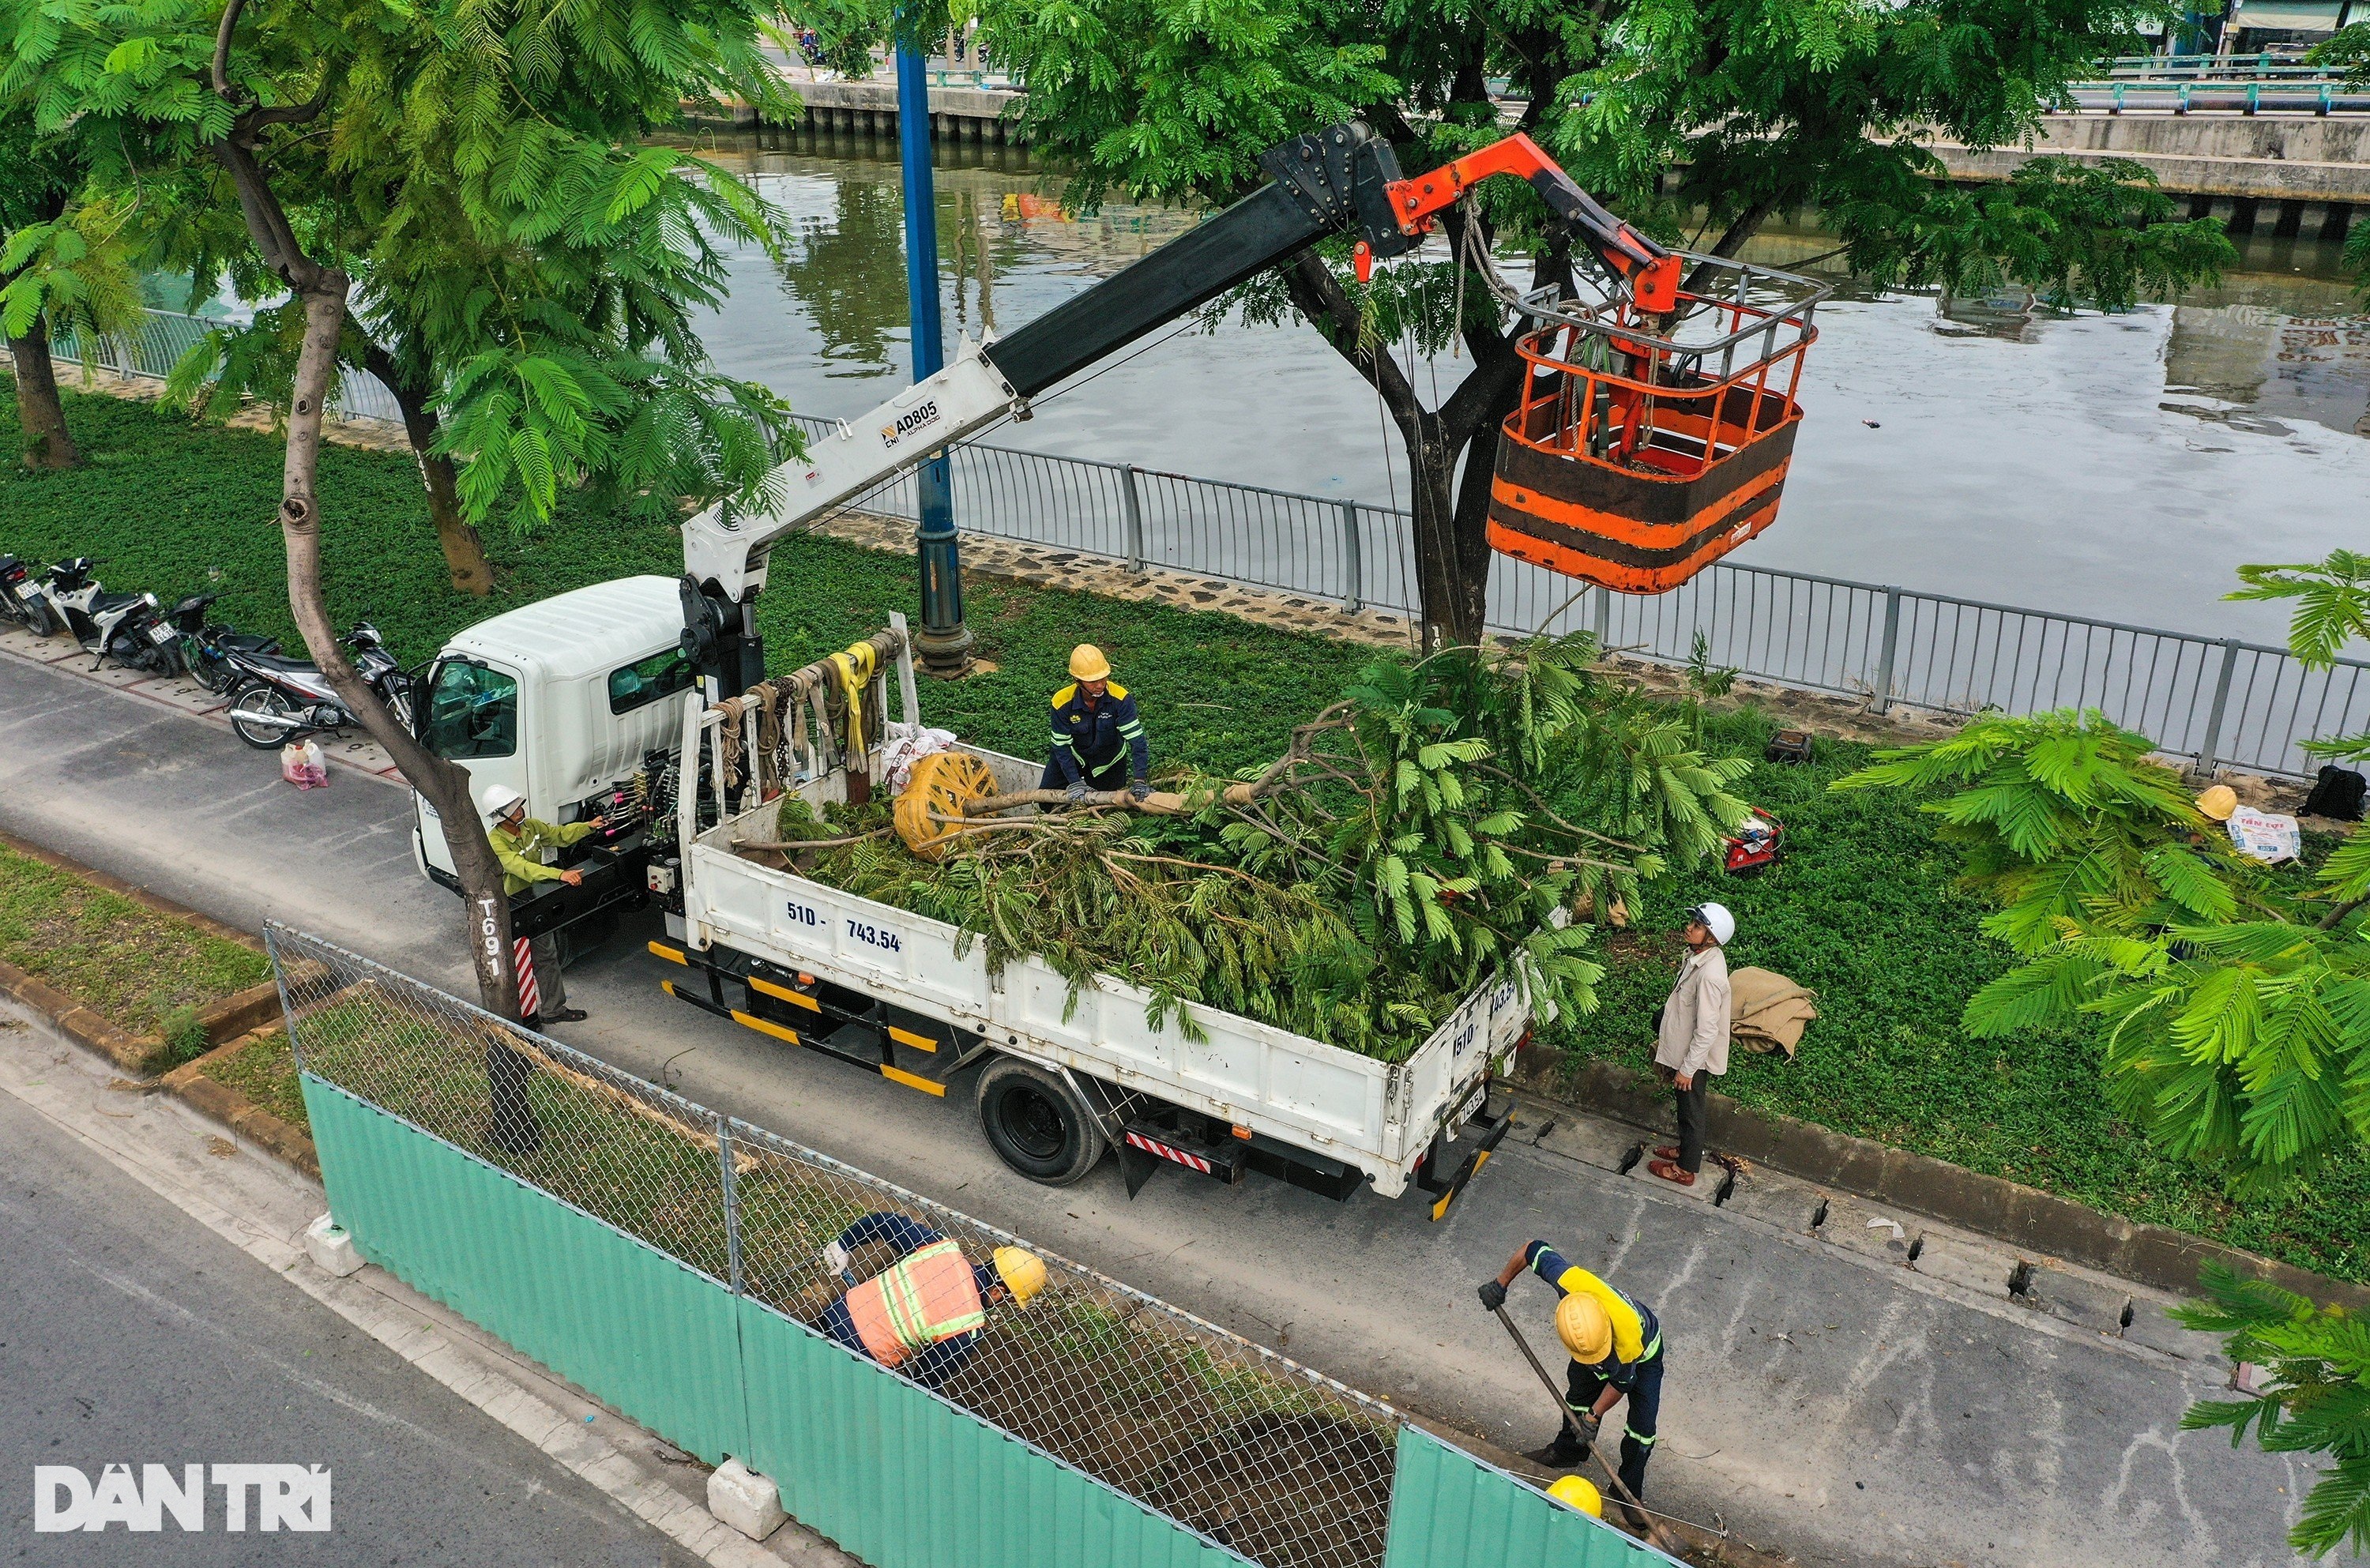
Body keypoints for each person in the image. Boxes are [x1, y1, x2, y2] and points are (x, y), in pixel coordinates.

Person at [1479, 1239, 1665, 1504]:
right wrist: (1500, 1283)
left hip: (1645, 1355)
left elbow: (1621, 1384)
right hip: (1595, 1343)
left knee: (1642, 1427)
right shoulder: (1570, 1283)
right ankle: (1567, 1452)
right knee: (1577, 1397)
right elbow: (1532, 1249)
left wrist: (1594, 1417)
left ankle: (1627, 1489)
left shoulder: (1629, 1338)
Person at [816, 1211, 1047, 1389]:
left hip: (833, 1314)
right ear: (998, 1291)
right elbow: (926, 1380)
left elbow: (886, 1222)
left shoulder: (940, 1248)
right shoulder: (969, 1325)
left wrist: (844, 1244)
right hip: (862, 1358)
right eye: (1007, 1299)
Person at [481, 784, 604, 1025]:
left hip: (533, 898)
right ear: (499, 815)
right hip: (510, 904)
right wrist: (559, 875)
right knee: (512, 962)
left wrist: (588, 827)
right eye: (512, 808)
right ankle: (513, 1019)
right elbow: (521, 867)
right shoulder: (496, 842)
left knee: (546, 955)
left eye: (518, 805)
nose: (519, 810)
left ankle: (552, 1010)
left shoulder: (531, 827)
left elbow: (558, 835)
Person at [1650, 901, 1733, 1187]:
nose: (1689, 927)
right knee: (1685, 1107)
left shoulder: (1710, 975)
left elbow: (1708, 1029)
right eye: (1693, 922)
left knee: (1691, 1111)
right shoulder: (1699, 957)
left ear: (1711, 938)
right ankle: (1685, 1150)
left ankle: (1685, 1169)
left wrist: (1688, 1069)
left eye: (1698, 925)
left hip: (1694, 1058)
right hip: (1686, 1051)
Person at [1042, 644, 1150, 803]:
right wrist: (1074, 782)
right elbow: (1061, 747)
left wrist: (1140, 781)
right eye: (1092, 681)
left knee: (1107, 807)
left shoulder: (1121, 699)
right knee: (1046, 801)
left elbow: (1137, 742)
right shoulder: (1061, 703)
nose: (1100, 685)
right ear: (1077, 681)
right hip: (1074, 757)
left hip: (1109, 761)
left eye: (1103, 678)